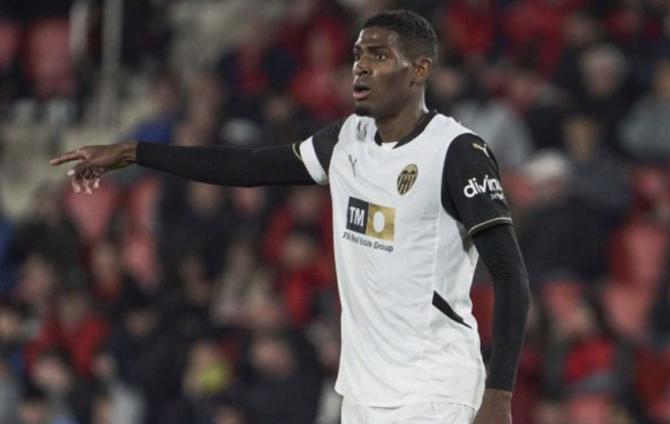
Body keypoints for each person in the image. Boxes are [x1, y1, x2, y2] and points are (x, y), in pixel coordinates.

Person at [50, 10, 529, 424]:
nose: (361, 66)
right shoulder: (347, 140)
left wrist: (498, 395)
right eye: (358, 55)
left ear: (420, 69)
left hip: (434, 390)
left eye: (380, 55)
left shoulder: (455, 152)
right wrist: (134, 151)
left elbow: (509, 274)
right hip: (364, 394)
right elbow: (247, 167)